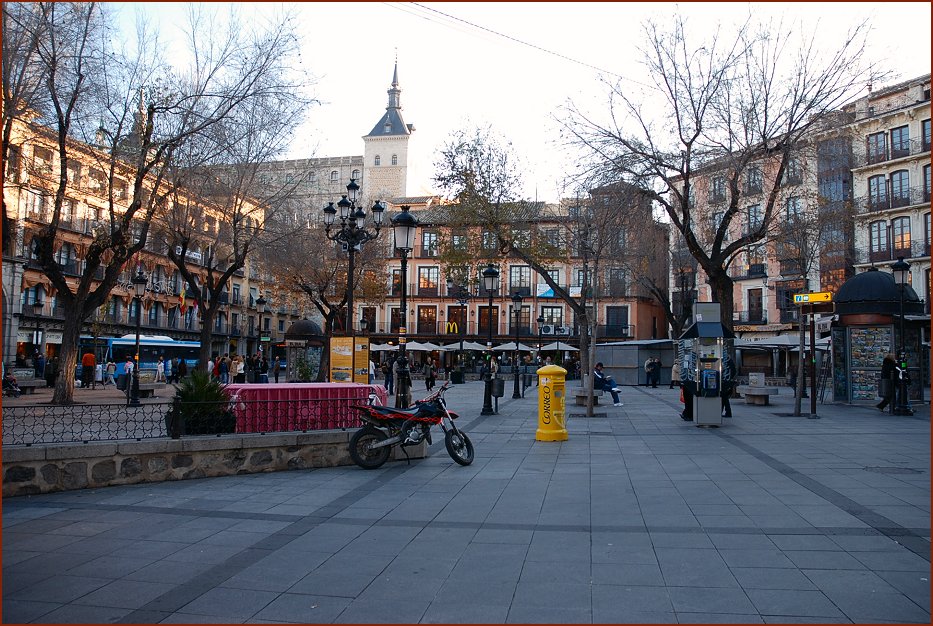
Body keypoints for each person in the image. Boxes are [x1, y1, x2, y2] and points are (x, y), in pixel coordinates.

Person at [680, 349, 697, 421]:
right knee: (688, 400)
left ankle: (688, 414)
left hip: (689, 383)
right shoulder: (687, 364)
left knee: (689, 400)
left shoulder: (690, 364)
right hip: (688, 382)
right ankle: (687, 413)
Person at [721, 352, 735, 418]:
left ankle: (728, 412)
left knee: (724, 398)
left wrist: (728, 378)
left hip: (726, 382)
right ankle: (725, 412)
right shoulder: (730, 362)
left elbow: (732, 372)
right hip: (727, 382)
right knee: (724, 398)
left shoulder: (727, 363)